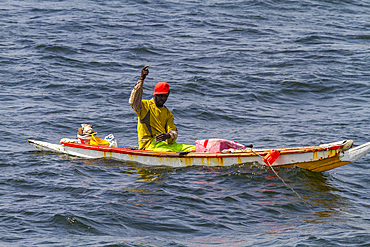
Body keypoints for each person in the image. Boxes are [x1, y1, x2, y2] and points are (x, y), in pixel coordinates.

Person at [129, 65, 196, 152]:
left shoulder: (167, 113)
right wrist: (141, 79)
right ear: (155, 94)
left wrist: (168, 136)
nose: (163, 98)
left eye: (165, 96)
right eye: (160, 95)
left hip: (166, 144)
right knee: (169, 152)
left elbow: (173, 132)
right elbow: (133, 101)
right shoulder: (144, 106)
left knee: (194, 148)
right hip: (149, 145)